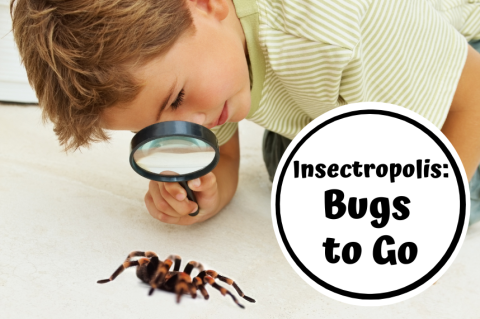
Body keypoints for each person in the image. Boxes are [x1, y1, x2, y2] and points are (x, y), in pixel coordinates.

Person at [11, 0, 480, 225]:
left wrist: (428, 224)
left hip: (466, 63)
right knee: (291, 164)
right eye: (159, 127)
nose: (188, 129)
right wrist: (206, 195)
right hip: (361, 88)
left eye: (175, 101)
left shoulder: (324, 29)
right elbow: (228, 160)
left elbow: (473, 93)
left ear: (205, 5)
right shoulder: (210, 62)